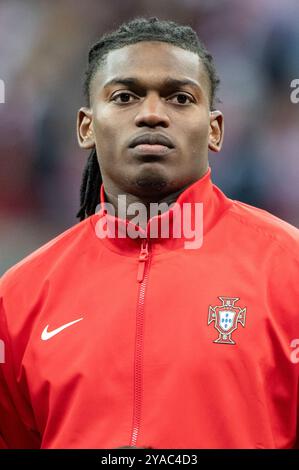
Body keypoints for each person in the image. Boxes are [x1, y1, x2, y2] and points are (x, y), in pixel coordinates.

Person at [0, 16, 298, 450]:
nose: (152, 115)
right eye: (125, 96)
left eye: (179, 97)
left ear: (214, 129)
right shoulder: (20, 298)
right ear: (86, 126)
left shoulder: (288, 270)